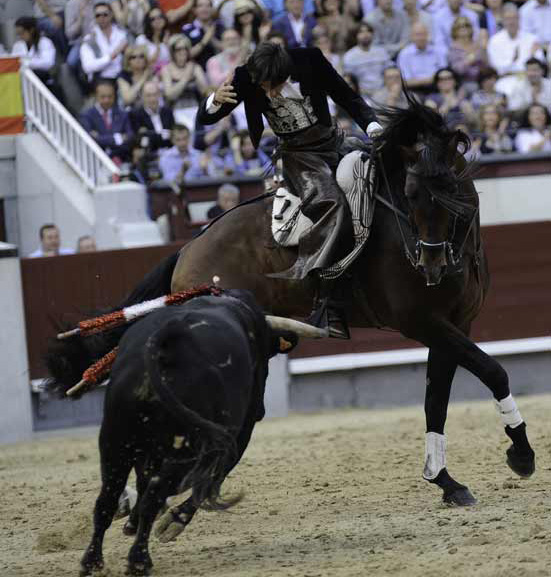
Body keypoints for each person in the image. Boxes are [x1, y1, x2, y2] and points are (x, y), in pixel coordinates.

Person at [197, 42, 383, 337]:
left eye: (274, 86)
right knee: (331, 203)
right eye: (263, 87)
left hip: (334, 142)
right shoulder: (247, 76)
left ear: (286, 73)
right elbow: (205, 119)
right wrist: (213, 102)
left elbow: (344, 94)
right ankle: (325, 301)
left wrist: (371, 125)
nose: (269, 93)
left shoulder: (310, 59)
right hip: (298, 156)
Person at [161, 34, 209, 129]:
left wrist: (196, 76)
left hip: (195, 109)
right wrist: (186, 79)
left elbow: (205, 92)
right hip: (176, 111)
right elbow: (169, 95)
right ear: (172, 51)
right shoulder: (167, 70)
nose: (182, 52)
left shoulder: (195, 67)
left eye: (185, 49)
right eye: (178, 49)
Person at [80, 78, 134, 159]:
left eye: (110, 96)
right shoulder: (87, 116)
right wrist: (118, 138)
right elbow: (91, 139)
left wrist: (101, 137)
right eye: (103, 97)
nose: (106, 100)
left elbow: (130, 136)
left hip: (121, 158)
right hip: (96, 159)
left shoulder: (122, 114)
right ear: (96, 96)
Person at [487, 3, 543, 78]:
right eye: (508, 19)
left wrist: (532, 57)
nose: (511, 22)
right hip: (506, 80)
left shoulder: (532, 39)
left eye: (514, 18)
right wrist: (513, 60)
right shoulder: (494, 41)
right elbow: (497, 68)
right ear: (502, 20)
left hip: (529, 79)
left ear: (519, 19)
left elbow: (540, 62)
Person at [80, 1, 128, 83]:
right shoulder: (89, 39)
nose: (101, 18)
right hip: (101, 80)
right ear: (94, 17)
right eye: (98, 15)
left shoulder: (122, 35)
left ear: (111, 15)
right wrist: (112, 56)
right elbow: (88, 67)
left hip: (122, 77)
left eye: (105, 14)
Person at [343, 21, 392, 98]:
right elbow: (349, 80)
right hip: (361, 95)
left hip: (384, 92)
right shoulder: (349, 56)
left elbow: (390, 73)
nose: (365, 35)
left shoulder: (382, 52)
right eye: (361, 32)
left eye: (368, 31)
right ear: (356, 36)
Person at [396, 21, 446, 92]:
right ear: (412, 36)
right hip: (413, 90)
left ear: (428, 35)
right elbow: (405, 81)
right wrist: (430, 80)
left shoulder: (438, 51)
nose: (421, 38)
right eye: (417, 35)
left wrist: (419, 81)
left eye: (423, 34)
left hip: (436, 89)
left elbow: (444, 75)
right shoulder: (404, 54)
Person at [12, 16, 57, 87]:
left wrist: (26, 63)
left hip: (42, 80)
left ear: (31, 30)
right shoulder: (18, 45)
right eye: (18, 34)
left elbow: (48, 63)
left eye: (22, 33)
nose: (20, 36)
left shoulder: (45, 42)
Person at [129, 80, 175, 150]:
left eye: (155, 95)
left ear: (159, 95)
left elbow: (173, 135)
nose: (152, 99)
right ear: (142, 97)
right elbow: (140, 140)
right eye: (148, 95)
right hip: (150, 153)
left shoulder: (167, 112)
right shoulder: (136, 115)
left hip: (169, 151)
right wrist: (164, 134)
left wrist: (151, 134)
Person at [448, 16, 487, 92]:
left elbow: (486, 64)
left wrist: (484, 48)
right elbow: (458, 70)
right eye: (460, 26)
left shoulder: (477, 44)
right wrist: (472, 58)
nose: (463, 28)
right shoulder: (453, 48)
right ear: (455, 30)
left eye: (466, 25)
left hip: (482, 80)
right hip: (463, 83)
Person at [182, 0, 225, 69]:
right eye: (200, 6)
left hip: (220, 69)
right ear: (194, 10)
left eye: (208, 6)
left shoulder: (219, 26)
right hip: (196, 70)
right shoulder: (188, 29)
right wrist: (205, 39)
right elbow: (186, 55)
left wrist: (212, 39)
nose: (204, 9)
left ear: (212, 9)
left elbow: (226, 49)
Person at [136, 7, 171, 71]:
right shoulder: (141, 39)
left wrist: (167, 45)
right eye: (153, 19)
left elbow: (177, 61)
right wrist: (158, 49)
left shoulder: (170, 37)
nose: (157, 20)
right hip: (150, 75)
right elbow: (145, 63)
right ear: (148, 22)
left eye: (160, 16)